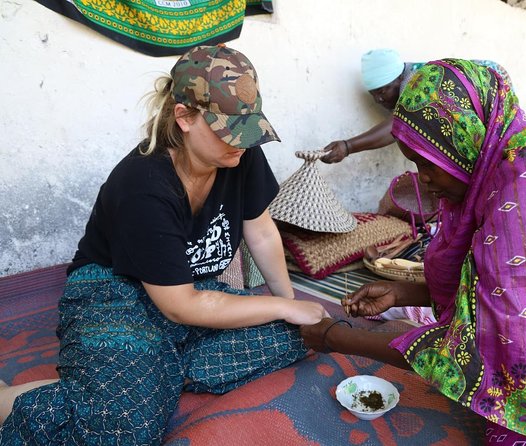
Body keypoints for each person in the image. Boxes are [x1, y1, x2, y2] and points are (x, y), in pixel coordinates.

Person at [302, 59, 526, 445]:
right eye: (415, 163)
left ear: (466, 139)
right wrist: (404, 293)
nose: (423, 179)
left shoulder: (521, 207)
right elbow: (507, 289)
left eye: (430, 162)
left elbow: (464, 354)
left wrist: (334, 336)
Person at [0, 44, 327, 444]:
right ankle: (18, 399)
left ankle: (138, 374)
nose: (240, 143)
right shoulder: (143, 185)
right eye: (228, 130)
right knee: (130, 430)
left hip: (187, 290)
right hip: (114, 290)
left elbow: (260, 231)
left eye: (247, 129)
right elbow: (181, 306)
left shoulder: (238, 156)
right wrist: (280, 306)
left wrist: (290, 306)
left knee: (293, 338)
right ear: (184, 117)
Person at [320, 48, 513, 164]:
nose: (378, 100)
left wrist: (347, 147)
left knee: (494, 151)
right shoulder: (407, 83)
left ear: (398, 80)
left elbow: (397, 126)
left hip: (493, 86)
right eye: (374, 95)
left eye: (383, 91)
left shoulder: (415, 82)